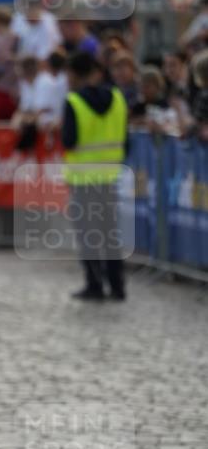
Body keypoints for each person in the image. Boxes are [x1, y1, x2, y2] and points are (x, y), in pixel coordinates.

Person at [61, 52, 128, 301]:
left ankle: (95, 285)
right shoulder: (119, 98)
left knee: (88, 234)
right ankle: (118, 286)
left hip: (83, 179)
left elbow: (69, 140)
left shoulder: (74, 102)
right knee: (110, 234)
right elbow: (126, 138)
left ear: (76, 74)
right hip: (111, 176)